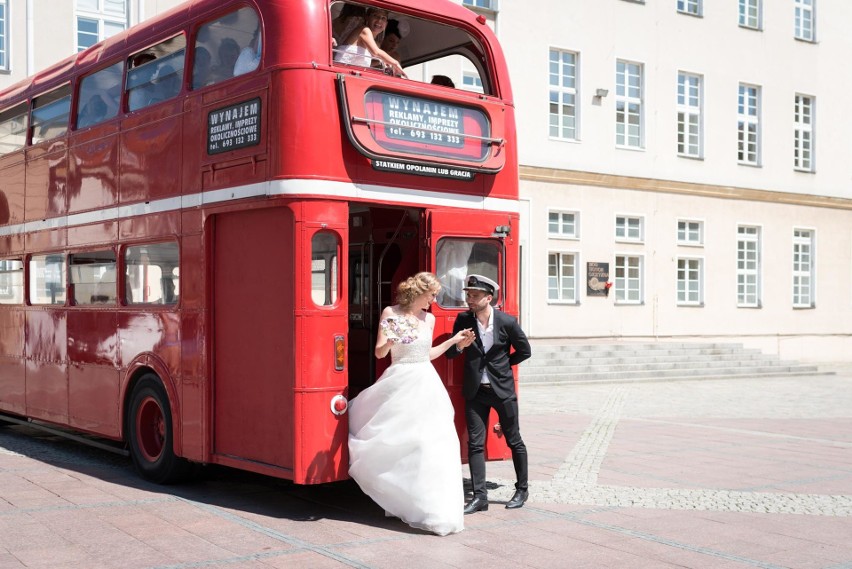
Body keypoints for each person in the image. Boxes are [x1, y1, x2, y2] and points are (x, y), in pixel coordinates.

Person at [347, 272, 473, 536]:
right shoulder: (391, 312)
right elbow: (380, 352)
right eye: (432, 295)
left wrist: (453, 341)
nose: (434, 300)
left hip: (426, 382)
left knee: (432, 443)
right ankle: (399, 500)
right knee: (401, 441)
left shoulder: (430, 318)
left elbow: (427, 354)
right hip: (400, 379)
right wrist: (392, 337)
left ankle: (431, 508)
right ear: (418, 294)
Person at [445, 274, 532, 514]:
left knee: (514, 441)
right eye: (468, 295)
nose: (469, 299)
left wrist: (503, 367)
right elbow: (451, 354)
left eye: (474, 295)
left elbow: (525, 351)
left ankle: (522, 489)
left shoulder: (507, 322)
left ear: (488, 297)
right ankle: (479, 497)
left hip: (502, 391)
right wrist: (460, 345)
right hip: (475, 392)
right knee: (475, 444)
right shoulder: (463, 320)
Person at [334, 7, 406, 77]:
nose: (379, 20)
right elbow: (376, 52)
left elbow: (367, 62)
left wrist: (382, 61)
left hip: (353, 75)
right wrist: (395, 63)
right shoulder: (364, 30)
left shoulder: (376, 43)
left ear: (386, 24)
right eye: (375, 16)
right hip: (340, 74)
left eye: (383, 18)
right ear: (367, 17)